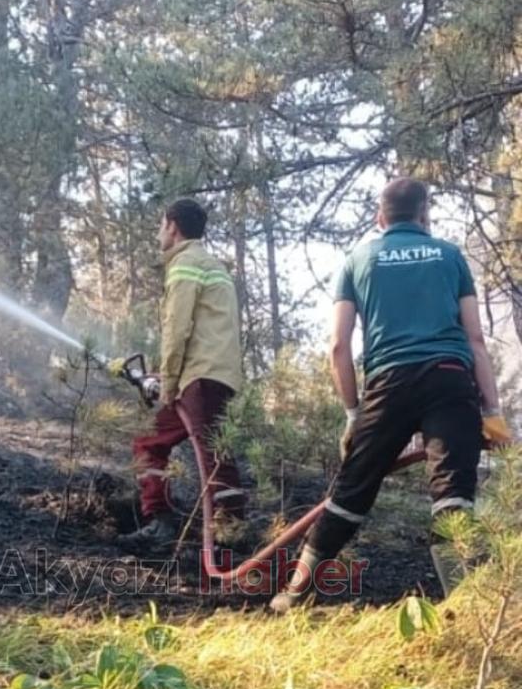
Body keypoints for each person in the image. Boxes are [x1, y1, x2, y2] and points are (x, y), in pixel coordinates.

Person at [270, 177, 513, 613]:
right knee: (452, 493)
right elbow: (475, 339)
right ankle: (467, 607)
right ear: (425, 214)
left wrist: (352, 414)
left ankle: (294, 594)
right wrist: (491, 411)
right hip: (449, 378)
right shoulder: (449, 255)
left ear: (380, 217)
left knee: (351, 489)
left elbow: (338, 346)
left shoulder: (358, 259)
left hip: (389, 384)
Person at [118, 198, 245, 554]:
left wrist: (168, 384)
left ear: (172, 225)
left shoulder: (185, 264)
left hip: (198, 379)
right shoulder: (210, 264)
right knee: (149, 443)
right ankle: (162, 520)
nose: (160, 233)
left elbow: (177, 328)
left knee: (213, 454)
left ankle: (229, 534)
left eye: (161, 225)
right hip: (209, 374)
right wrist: (168, 374)